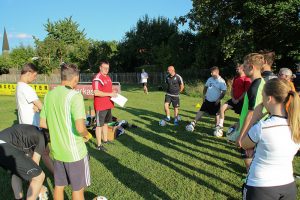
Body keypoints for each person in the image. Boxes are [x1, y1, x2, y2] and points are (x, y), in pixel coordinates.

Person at [241, 78, 300, 200]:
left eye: (263, 96)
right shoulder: (296, 126)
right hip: (288, 185)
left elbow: (244, 143)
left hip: (260, 186)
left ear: (269, 99)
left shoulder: (262, 127)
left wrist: (254, 119)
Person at [40, 63, 91, 200]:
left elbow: (43, 123)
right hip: (74, 152)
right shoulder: (75, 96)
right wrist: (87, 135)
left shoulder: (48, 95)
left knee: (59, 186)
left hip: (57, 151)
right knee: (78, 189)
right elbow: (80, 128)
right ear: (76, 78)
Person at [0, 124, 47, 200]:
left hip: (5, 143)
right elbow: (35, 165)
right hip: (3, 145)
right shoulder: (43, 138)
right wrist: (39, 188)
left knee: (16, 172)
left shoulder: (37, 131)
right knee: (39, 176)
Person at [236, 53, 265, 172]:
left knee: (250, 162)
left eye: (245, 66)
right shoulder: (257, 83)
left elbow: (252, 113)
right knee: (250, 161)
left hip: (252, 131)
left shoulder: (256, 86)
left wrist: (242, 135)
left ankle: (251, 183)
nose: (243, 68)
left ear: (251, 67)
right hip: (251, 129)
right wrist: (238, 123)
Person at [187, 66, 227, 134]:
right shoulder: (210, 79)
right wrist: (204, 95)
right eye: (211, 72)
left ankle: (217, 127)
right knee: (201, 110)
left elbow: (224, 92)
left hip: (215, 101)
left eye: (212, 72)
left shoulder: (221, 81)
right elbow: (205, 88)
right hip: (207, 99)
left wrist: (219, 99)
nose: (211, 74)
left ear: (217, 72)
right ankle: (193, 123)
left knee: (217, 114)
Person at [214, 64, 251, 134]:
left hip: (242, 102)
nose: (236, 70)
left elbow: (246, 92)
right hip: (234, 100)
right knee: (222, 108)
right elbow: (232, 89)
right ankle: (220, 126)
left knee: (243, 118)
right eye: (236, 69)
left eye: (238, 69)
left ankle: (241, 132)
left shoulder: (246, 79)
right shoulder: (236, 78)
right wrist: (233, 98)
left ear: (242, 69)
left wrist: (239, 99)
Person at [92, 61, 117, 151]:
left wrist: (113, 92)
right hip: (100, 106)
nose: (106, 69)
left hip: (108, 104)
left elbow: (108, 90)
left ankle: (105, 140)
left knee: (106, 123)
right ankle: (99, 145)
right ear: (100, 67)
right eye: (104, 67)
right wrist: (110, 93)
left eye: (108, 68)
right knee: (99, 125)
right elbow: (96, 92)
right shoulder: (97, 77)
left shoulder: (108, 77)